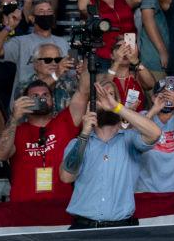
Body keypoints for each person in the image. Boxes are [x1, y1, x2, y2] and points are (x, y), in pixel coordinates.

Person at [60, 82, 161, 229]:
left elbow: (155, 133)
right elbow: (66, 177)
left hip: (121, 229)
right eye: (101, 97)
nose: (106, 100)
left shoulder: (130, 139)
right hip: (83, 229)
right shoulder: (78, 142)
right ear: (91, 106)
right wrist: (84, 134)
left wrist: (117, 108)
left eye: (111, 95)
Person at [0, 64, 88, 203]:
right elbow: (0, 155)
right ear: (25, 101)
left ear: (52, 100)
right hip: (23, 209)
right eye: (35, 96)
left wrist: (85, 65)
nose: (41, 99)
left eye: (45, 95)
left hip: (61, 206)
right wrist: (14, 118)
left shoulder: (65, 121)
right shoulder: (17, 130)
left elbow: (83, 92)